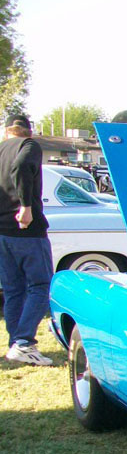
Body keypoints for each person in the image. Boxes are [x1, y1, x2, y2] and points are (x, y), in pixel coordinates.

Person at [0, 114, 53, 365]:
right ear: (28, 131)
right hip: (27, 230)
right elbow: (22, 166)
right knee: (41, 285)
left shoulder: (1, 149)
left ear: (6, 131)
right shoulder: (29, 146)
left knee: (13, 290)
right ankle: (23, 342)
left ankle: (16, 343)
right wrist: (26, 206)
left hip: (3, 232)